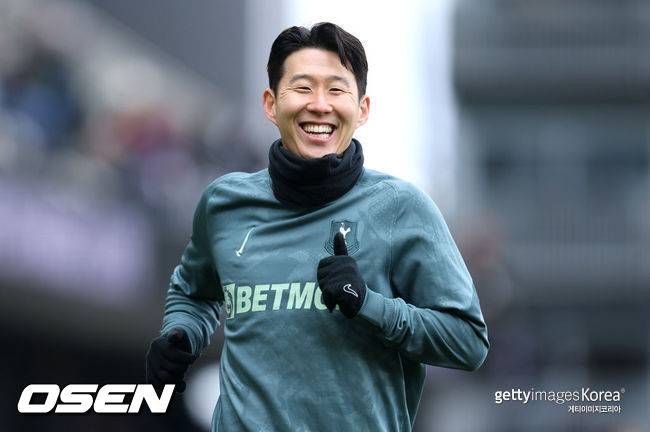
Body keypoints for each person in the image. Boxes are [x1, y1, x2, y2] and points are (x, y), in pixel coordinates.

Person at [146, 22, 489, 431]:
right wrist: (182, 332)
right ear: (271, 103)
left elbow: (468, 341)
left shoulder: (402, 208)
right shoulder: (224, 204)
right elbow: (192, 290)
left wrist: (368, 305)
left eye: (337, 90)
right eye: (303, 88)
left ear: (362, 109)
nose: (320, 105)